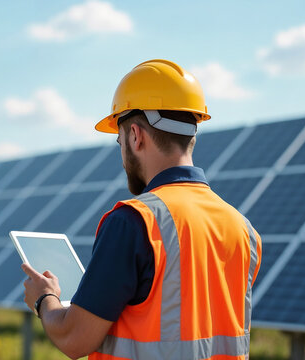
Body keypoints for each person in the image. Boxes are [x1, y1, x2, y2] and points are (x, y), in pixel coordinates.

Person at [21, 59, 262, 360]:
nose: (122, 151)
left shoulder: (134, 222)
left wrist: (45, 298)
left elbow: (73, 339)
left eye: (119, 139)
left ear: (136, 136)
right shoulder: (242, 228)